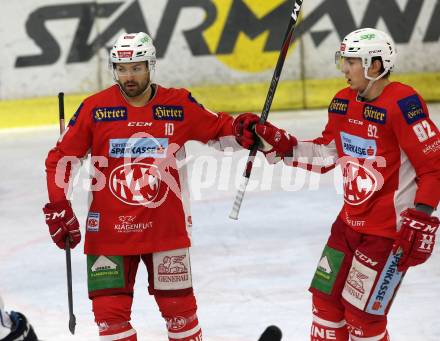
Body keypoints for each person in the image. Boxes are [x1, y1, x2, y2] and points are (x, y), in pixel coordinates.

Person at [234, 28, 440, 340]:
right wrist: (273, 141)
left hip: (387, 234)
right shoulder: (342, 103)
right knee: (325, 303)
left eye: (352, 61)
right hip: (347, 226)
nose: (344, 68)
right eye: (343, 59)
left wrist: (422, 216)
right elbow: (324, 155)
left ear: (374, 64)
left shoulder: (403, 104)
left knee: (362, 319)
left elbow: (434, 167)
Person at [43, 32, 249, 341]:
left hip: (165, 231)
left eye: (137, 68)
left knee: (180, 315)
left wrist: (245, 130)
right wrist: (59, 205)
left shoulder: (177, 104)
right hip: (109, 233)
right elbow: (60, 159)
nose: (128, 76)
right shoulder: (95, 109)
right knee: (110, 321)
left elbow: (220, 130)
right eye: (122, 69)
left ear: (150, 65)